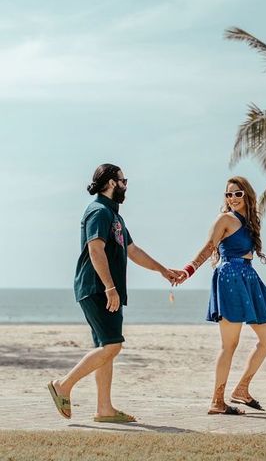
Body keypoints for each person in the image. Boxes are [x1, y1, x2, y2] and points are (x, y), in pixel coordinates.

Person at [48, 163, 179, 423]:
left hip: (102, 289)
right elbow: (95, 249)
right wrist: (110, 288)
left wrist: (163, 270)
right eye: (123, 180)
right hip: (97, 288)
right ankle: (63, 385)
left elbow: (133, 250)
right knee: (112, 346)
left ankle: (104, 409)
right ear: (110, 182)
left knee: (105, 347)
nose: (125, 185)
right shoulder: (98, 211)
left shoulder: (114, 215)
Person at [174, 176, 266, 415]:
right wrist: (188, 270)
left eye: (237, 194)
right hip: (230, 277)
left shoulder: (250, 222)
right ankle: (217, 400)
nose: (232, 198)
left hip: (249, 277)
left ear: (247, 196)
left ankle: (242, 388)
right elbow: (209, 247)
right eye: (228, 194)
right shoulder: (225, 219)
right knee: (229, 344)